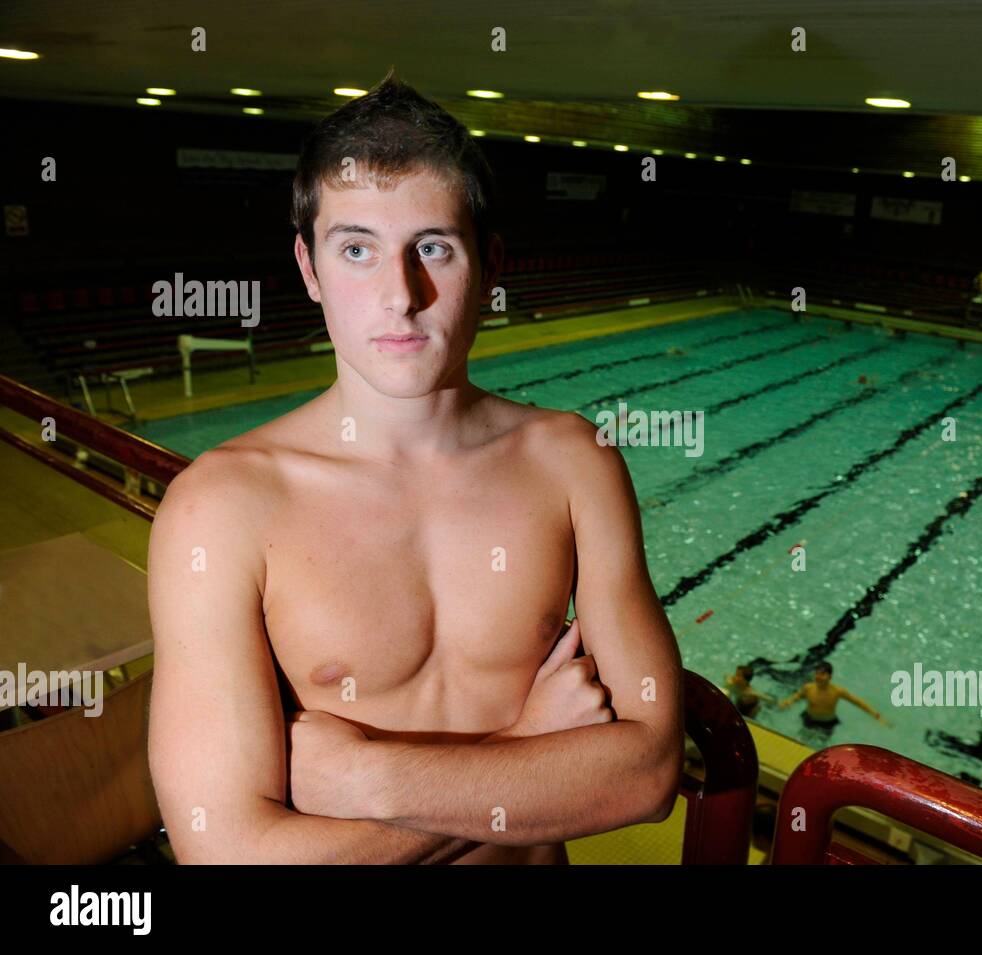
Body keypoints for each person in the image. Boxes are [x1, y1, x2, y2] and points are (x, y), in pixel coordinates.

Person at [147, 72, 684, 865]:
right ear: (308, 268)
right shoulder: (220, 510)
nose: (400, 295)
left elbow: (646, 773)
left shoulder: (575, 462)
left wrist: (365, 776)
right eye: (356, 249)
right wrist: (525, 747)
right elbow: (227, 856)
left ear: (491, 263)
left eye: (433, 248)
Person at [778, 662, 889, 731]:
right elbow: (796, 697)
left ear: (830, 676)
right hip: (809, 719)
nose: (818, 677)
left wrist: (877, 716)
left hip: (827, 723)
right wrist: (787, 702)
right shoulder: (808, 688)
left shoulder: (837, 691)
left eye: (822, 674)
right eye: (817, 673)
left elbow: (858, 703)